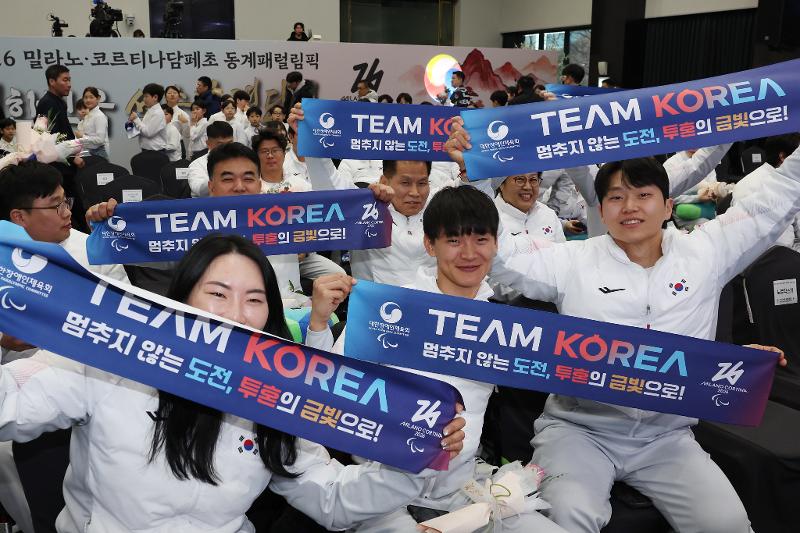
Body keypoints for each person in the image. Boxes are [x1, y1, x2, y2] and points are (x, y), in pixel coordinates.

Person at [446, 118, 799, 533]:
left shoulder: (708, 251)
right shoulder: (573, 260)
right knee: (566, 518)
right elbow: (501, 259)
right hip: (580, 430)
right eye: (615, 197)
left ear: (668, 206)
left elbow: (775, 199)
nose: (629, 206)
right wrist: (475, 179)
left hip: (668, 437)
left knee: (727, 523)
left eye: (643, 195)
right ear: (602, 209)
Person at [0, 227, 467, 532]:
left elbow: (330, 496)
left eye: (254, 300)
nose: (235, 315)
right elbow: (13, 402)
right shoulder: (112, 357)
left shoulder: (282, 394)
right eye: (217, 294)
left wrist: (418, 456)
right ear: (182, 298)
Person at [309, 186, 567, 533]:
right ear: (430, 245)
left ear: (495, 245)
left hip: (459, 489)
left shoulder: (506, 327)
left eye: (480, 239)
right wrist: (318, 324)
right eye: (454, 241)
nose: (469, 253)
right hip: (384, 487)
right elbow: (324, 387)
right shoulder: (391, 308)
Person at [0, 161, 129, 533]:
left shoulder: (92, 249)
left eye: (65, 200)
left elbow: (123, 313)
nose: (67, 211)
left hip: (100, 389)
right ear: (19, 217)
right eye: (54, 205)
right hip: (25, 402)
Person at [187, 121, 233, 197]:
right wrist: (221, 176)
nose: (226, 148)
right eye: (220, 145)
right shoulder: (197, 164)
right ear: (208, 144)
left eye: (229, 143)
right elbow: (198, 189)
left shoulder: (242, 161)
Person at [129, 83, 168, 152]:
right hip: (147, 150)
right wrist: (131, 125)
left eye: (146, 96)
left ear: (155, 97)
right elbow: (143, 130)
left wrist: (136, 119)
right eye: (144, 96)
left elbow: (148, 133)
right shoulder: (150, 111)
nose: (144, 99)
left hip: (156, 153)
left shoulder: (158, 113)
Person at [77, 87, 110, 159]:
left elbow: (100, 140)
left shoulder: (99, 116)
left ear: (98, 98)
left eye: (91, 97)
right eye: (85, 97)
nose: (88, 100)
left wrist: (83, 136)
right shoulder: (88, 115)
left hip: (98, 153)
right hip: (88, 152)